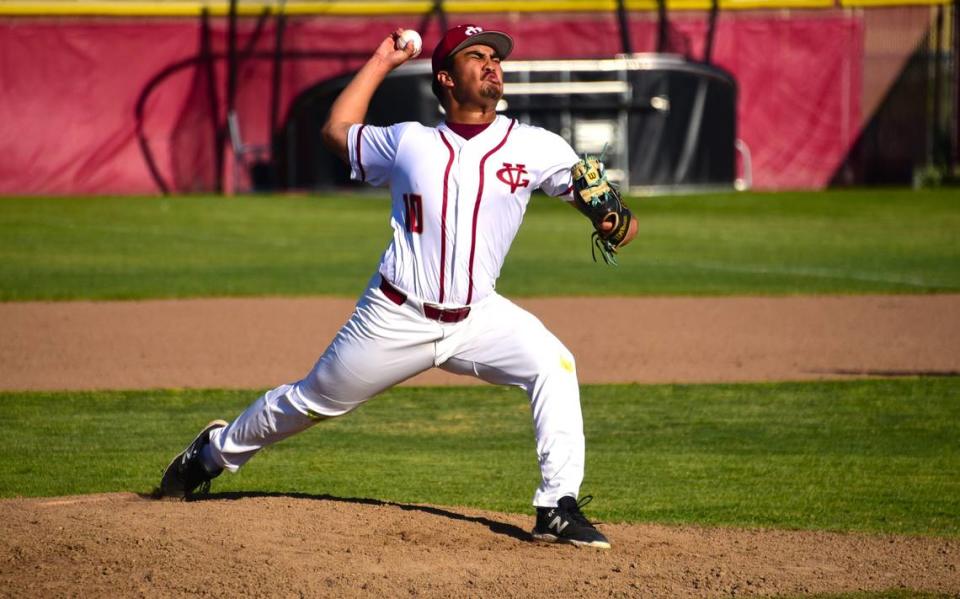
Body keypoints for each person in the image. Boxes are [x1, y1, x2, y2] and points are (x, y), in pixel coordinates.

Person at [159, 23, 638, 549]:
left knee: (554, 364)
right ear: (445, 78)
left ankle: (557, 506)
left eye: (494, 56)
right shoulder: (409, 142)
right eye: (475, 56)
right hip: (394, 316)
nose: (491, 63)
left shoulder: (534, 146)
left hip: (478, 317)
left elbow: (610, 212)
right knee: (309, 402)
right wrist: (382, 61)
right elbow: (336, 129)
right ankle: (211, 453)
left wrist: (613, 219)